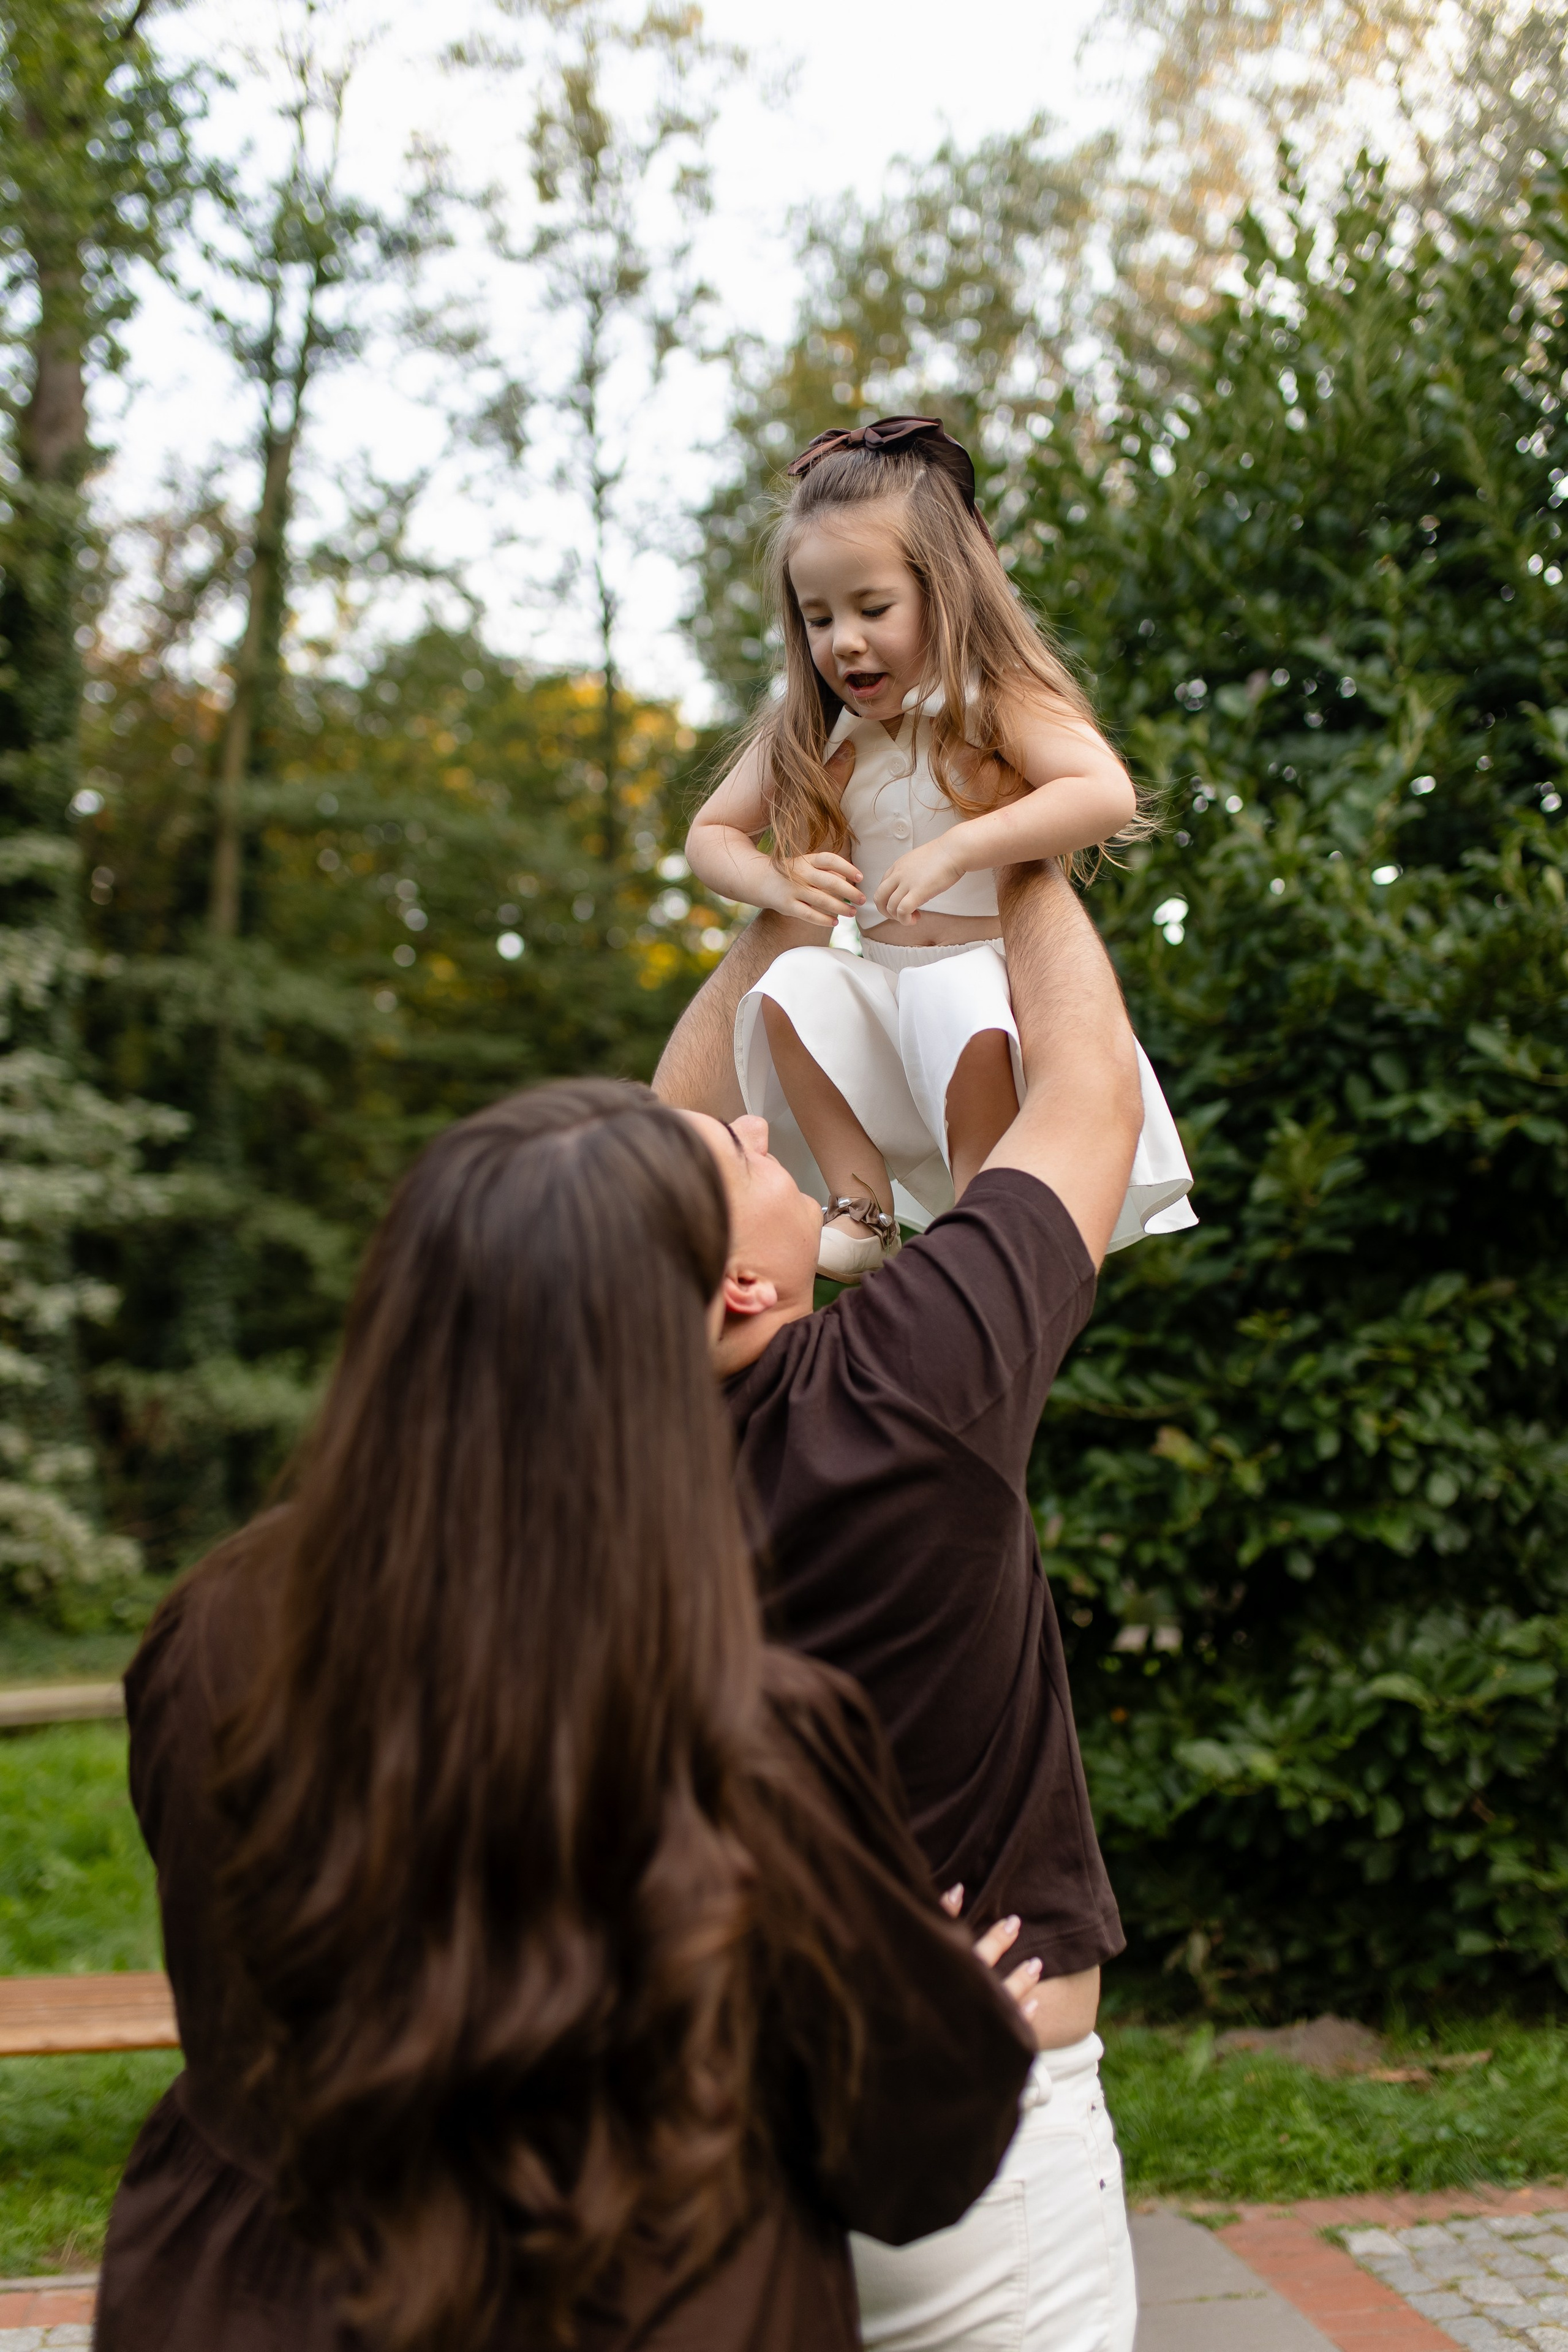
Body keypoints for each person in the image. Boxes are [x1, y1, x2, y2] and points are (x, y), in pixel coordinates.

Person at [96, 1083, 1042, 2352]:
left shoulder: (211, 1629)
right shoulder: (741, 1728)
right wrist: (943, 2009)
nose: (763, 1131)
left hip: (242, 2297)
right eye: (737, 1149)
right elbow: (914, 2158)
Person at [655, 857, 1147, 2352]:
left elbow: (627, 1151)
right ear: (741, 1289)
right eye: (744, 1158)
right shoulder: (899, 1393)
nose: (758, 1122)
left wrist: (789, 898)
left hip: (684, 2129)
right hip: (969, 2132)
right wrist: (1017, 840)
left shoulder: (568, 1477)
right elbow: (1087, 1099)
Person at [684, 412, 1194, 1281]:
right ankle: (861, 1207)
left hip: (988, 989)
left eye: (872, 607)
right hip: (882, 989)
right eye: (818, 618)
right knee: (789, 983)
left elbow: (1103, 791)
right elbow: (708, 836)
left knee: (954, 995)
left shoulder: (993, 700)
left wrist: (965, 850)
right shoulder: (812, 732)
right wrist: (777, 880)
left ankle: (979, 1207)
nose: (843, 640)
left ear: (943, 591)